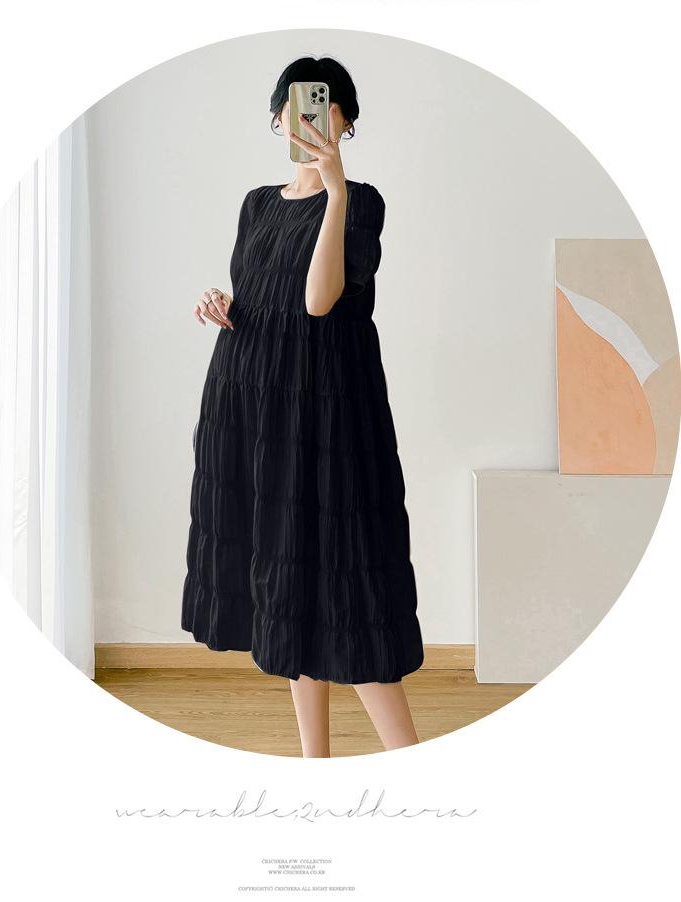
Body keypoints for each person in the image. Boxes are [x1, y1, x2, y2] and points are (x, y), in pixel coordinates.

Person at [181, 55, 424, 757]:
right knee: (287, 580)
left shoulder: (362, 201)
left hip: (327, 412)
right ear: (275, 119)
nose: (309, 120)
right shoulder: (257, 203)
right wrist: (224, 302)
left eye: (323, 106)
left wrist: (335, 190)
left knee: (348, 585)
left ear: (345, 119)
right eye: (294, 108)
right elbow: (268, 295)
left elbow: (320, 301)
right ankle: (315, 765)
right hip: (250, 402)